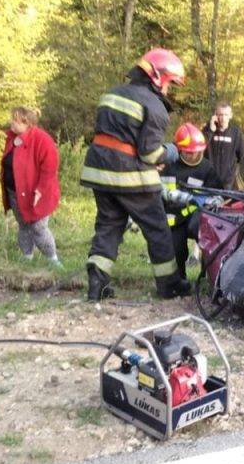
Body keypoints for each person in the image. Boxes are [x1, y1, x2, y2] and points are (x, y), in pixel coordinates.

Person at [81, 48, 190, 301]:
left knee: (108, 226)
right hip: (132, 179)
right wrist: (172, 152)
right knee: (158, 229)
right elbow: (150, 154)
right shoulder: (155, 106)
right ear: (158, 78)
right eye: (170, 84)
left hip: (99, 174)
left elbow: (114, 138)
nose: (169, 91)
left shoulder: (111, 94)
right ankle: (169, 285)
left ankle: (97, 284)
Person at [0, 107, 61, 266]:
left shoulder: (42, 139)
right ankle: (27, 257)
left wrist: (40, 191)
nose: (11, 122)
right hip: (14, 192)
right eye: (12, 119)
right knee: (23, 225)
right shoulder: (12, 137)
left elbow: (50, 169)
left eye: (16, 120)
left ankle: (53, 260)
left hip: (36, 193)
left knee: (38, 227)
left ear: (27, 123)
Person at [161, 123, 222, 280]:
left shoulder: (207, 169)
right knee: (176, 250)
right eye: (188, 152)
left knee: (206, 239)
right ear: (179, 149)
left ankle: (206, 277)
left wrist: (210, 202)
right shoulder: (168, 165)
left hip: (195, 216)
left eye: (196, 152)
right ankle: (179, 281)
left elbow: (218, 196)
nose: (193, 155)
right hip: (173, 218)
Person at [203, 100, 244, 190]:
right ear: (215, 115)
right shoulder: (207, 130)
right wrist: (210, 130)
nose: (223, 118)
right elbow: (200, 148)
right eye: (220, 114)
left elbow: (243, 157)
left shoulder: (236, 133)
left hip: (228, 183)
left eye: (226, 115)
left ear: (230, 116)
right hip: (208, 180)